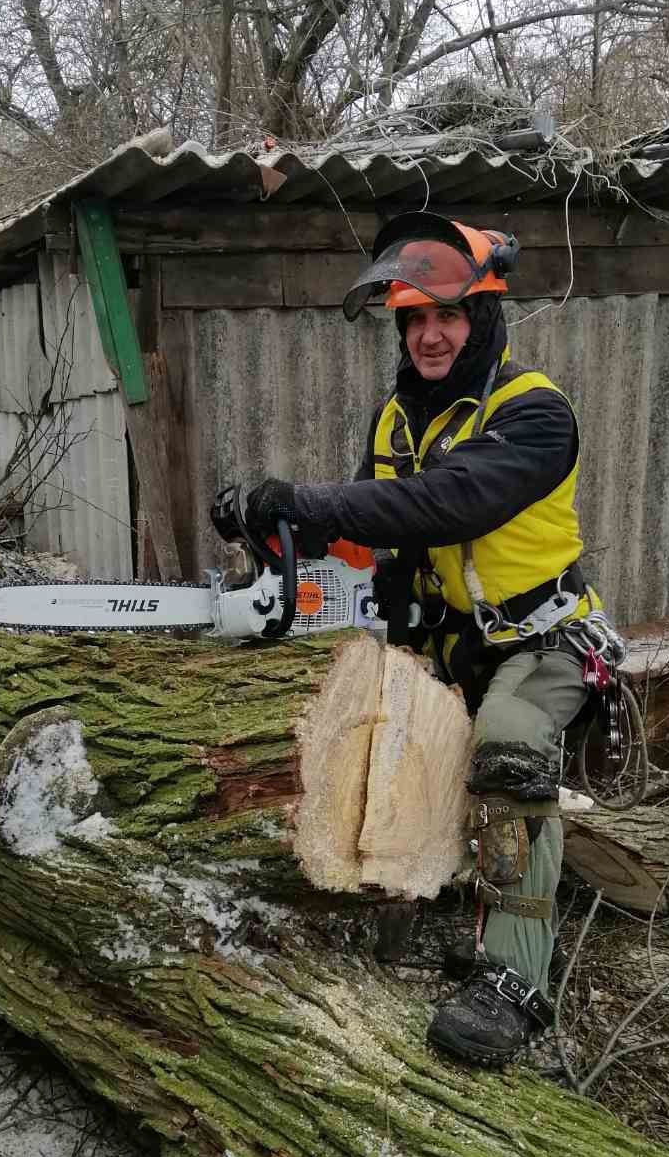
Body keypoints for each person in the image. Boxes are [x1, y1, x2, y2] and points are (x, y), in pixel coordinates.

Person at [244, 212, 622, 1068]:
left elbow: (449, 503)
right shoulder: (394, 424)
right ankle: (403, 900)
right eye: (412, 319)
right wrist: (290, 546)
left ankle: (518, 983)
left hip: (545, 638)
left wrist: (303, 497)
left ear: (484, 316)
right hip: (449, 638)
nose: (429, 334)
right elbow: (389, 542)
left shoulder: (534, 411)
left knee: (510, 746)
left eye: (445, 316)